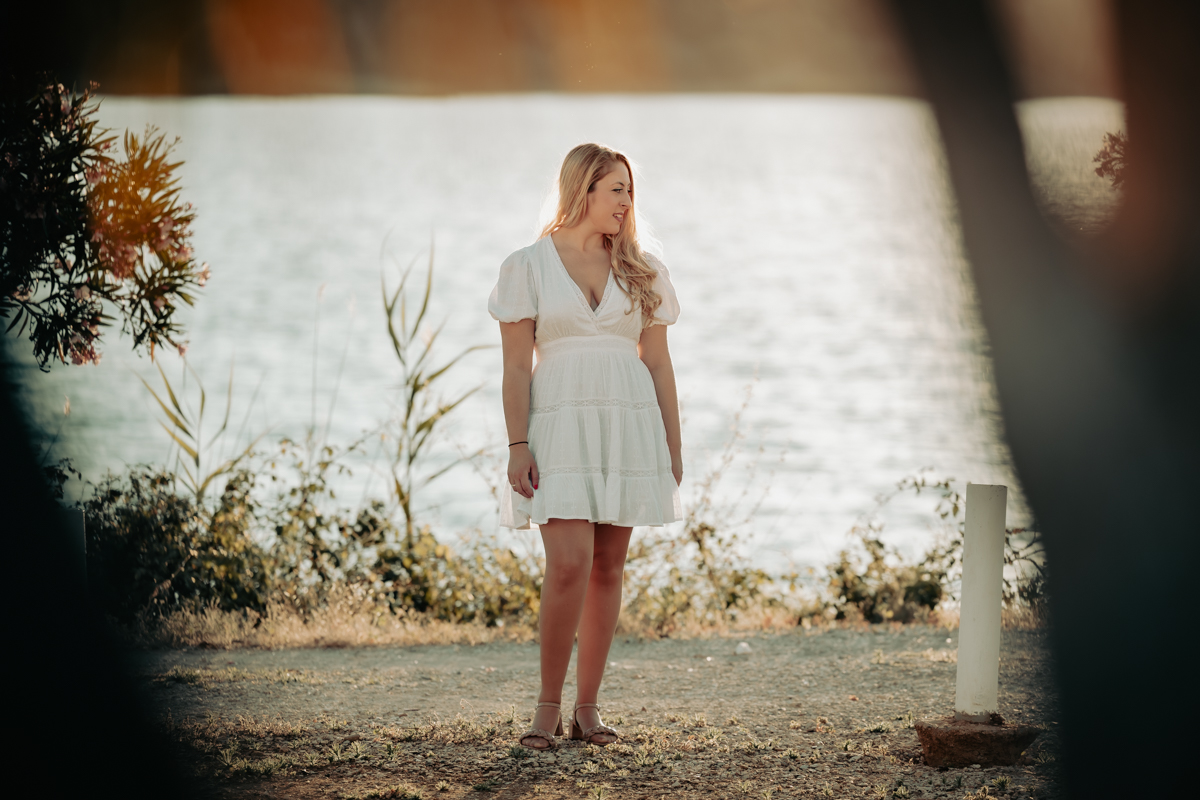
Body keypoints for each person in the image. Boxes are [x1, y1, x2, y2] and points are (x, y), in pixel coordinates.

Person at [488, 143, 683, 750]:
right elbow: (517, 368)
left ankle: (587, 710)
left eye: (630, 191)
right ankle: (546, 708)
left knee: (608, 568)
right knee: (569, 563)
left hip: (629, 428)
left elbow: (660, 365)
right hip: (560, 427)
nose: (627, 203)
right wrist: (518, 444)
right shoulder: (528, 266)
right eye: (616, 190)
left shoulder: (643, 270)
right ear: (583, 191)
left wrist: (672, 447)